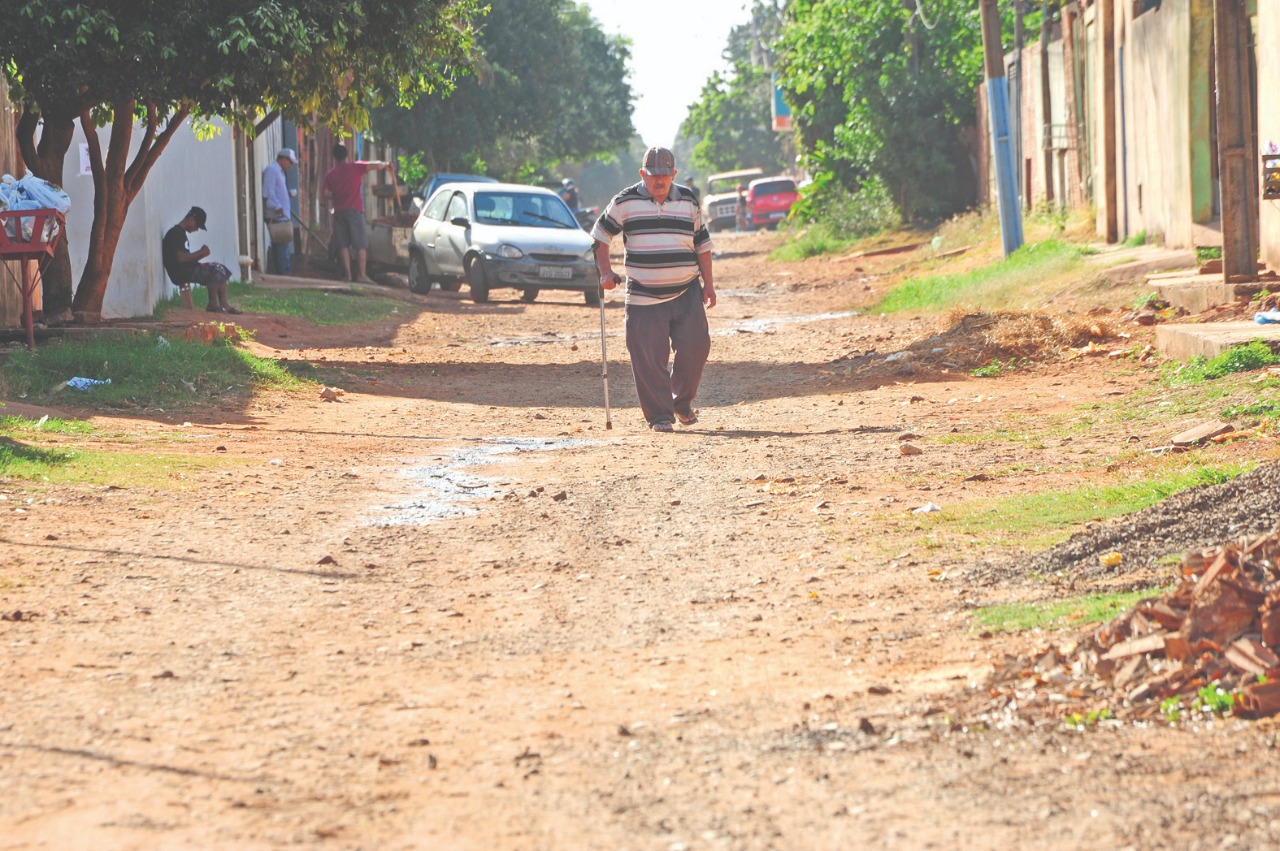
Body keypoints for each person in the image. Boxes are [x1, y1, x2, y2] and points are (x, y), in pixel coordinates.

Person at [591, 146, 716, 433]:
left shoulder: (688, 200)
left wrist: (709, 284)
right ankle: (660, 416)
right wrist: (606, 271)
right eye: (652, 175)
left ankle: (680, 403)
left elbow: (703, 245)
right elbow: (600, 235)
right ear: (642, 174)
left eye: (664, 175)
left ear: (674, 174)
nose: (658, 181)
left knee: (697, 348)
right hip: (643, 294)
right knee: (648, 358)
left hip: (687, 291)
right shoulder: (624, 201)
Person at [322, 143, 394, 284]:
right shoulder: (355, 167)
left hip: (339, 211)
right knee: (360, 244)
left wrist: (335, 196)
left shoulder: (330, 174)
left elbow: (325, 194)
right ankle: (362, 275)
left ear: (334, 157)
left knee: (343, 245)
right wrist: (386, 164)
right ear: (347, 155)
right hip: (355, 211)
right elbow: (375, 165)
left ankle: (348, 275)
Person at [162, 206, 240, 314]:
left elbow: (184, 258)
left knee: (219, 267)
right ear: (191, 219)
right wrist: (201, 253)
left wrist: (200, 254)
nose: (197, 229)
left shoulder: (180, 233)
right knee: (215, 270)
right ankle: (212, 304)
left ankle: (224, 304)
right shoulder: (175, 233)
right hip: (180, 272)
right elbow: (181, 258)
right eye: (197, 225)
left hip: (186, 269)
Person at [262, 147, 296, 274]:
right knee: (282, 244)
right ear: (283, 159)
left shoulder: (280, 172)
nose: (291, 165)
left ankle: (282, 270)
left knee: (281, 244)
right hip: (276, 214)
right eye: (290, 162)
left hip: (281, 214)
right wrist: (277, 206)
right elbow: (268, 192)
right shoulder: (272, 170)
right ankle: (284, 271)